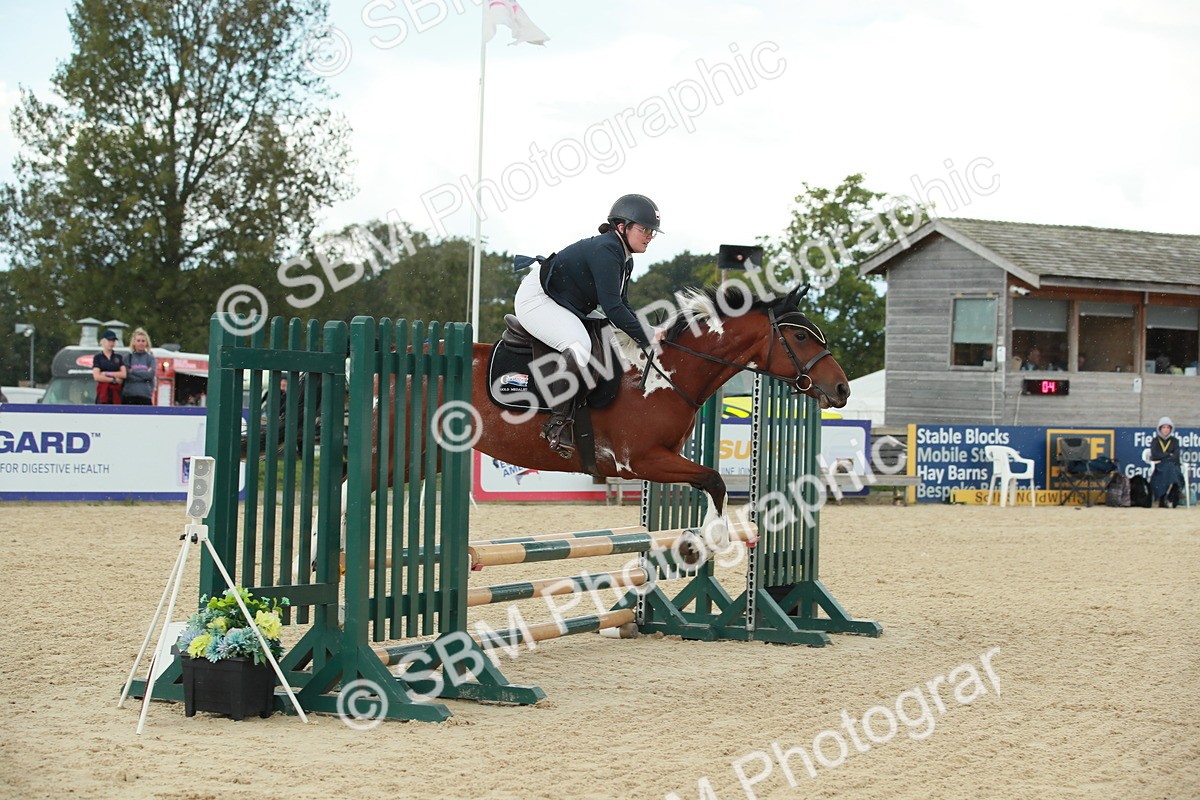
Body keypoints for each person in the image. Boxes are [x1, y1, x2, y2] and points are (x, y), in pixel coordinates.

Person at [513, 194, 659, 457]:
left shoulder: (625, 258)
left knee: (604, 338)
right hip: (538, 299)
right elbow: (613, 308)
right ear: (622, 227)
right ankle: (557, 423)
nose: (649, 236)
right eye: (644, 229)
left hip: (563, 301)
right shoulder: (607, 250)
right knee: (580, 345)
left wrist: (647, 331)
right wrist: (647, 337)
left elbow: (621, 304)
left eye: (652, 232)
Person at [1148, 416, 1185, 508]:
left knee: (1172, 468)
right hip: (1160, 467)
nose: (1166, 430)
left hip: (1173, 465)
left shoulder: (1174, 441)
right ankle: (1173, 493)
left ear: (1171, 429)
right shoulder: (1155, 441)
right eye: (1163, 427)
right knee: (1170, 468)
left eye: (1168, 427)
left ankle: (1165, 497)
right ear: (1160, 428)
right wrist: (1169, 455)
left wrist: (1164, 456)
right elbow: (1154, 455)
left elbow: (1176, 455)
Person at [122, 327, 157, 405]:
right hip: (129, 396)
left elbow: (150, 375)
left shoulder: (150, 358)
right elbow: (126, 375)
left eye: (143, 341)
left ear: (146, 343)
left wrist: (133, 371)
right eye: (138, 341)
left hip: (145, 396)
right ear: (134, 342)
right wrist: (143, 374)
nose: (141, 343)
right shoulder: (127, 357)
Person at [92, 329, 126, 404]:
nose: (111, 343)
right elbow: (97, 376)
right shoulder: (98, 357)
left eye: (113, 341)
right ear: (103, 341)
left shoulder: (118, 357)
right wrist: (113, 380)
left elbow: (123, 374)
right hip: (103, 393)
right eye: (109, 340)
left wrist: (107, 373)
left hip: (116, 393)